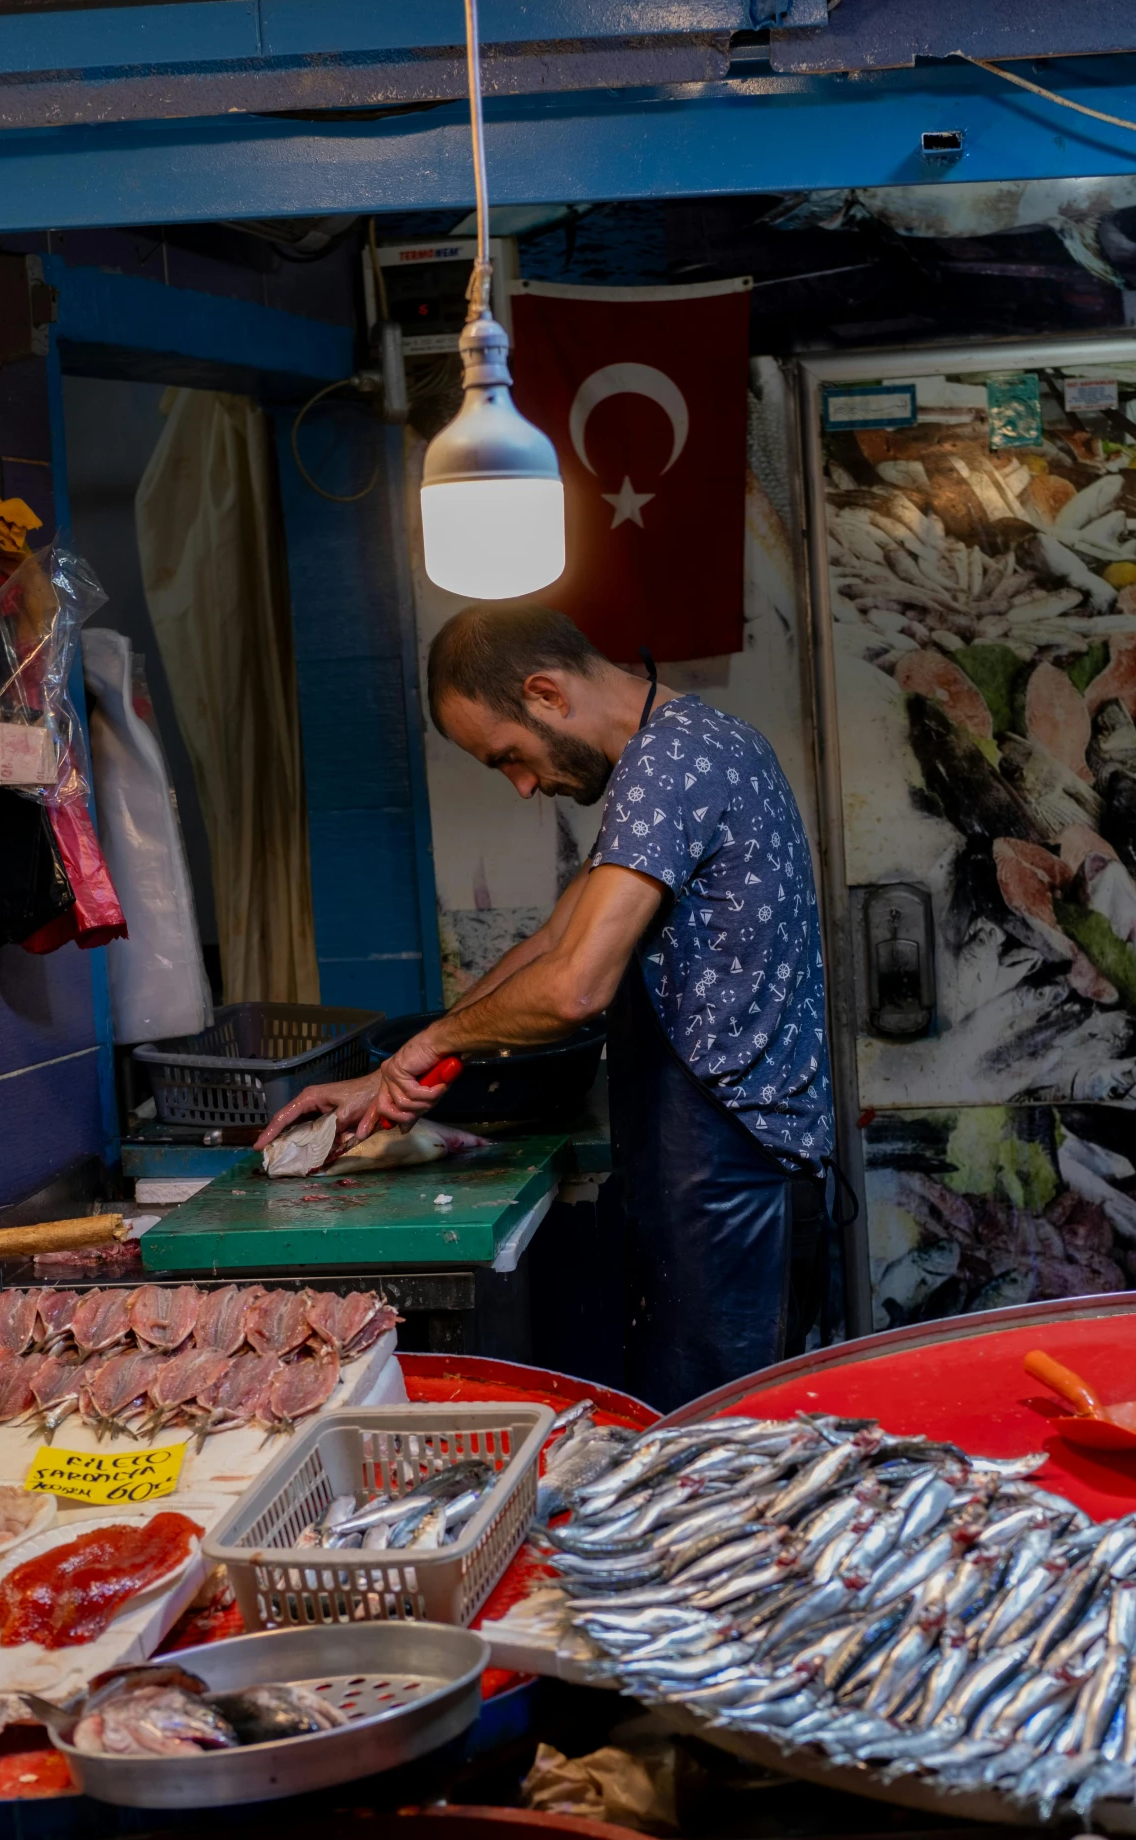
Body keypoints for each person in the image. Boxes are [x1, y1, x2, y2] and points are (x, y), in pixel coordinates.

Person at [259, 602, 834, 1410]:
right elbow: (555, 940)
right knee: (687, 1434)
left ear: (545, 694)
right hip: (710, 1168)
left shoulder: (670, 762)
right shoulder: (681, 751)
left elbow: (574, 986)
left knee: (721, 1451)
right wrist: (391, 1070)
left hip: (734, 1176)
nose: (525, 785)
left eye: (508, 757)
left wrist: (425, 1051)